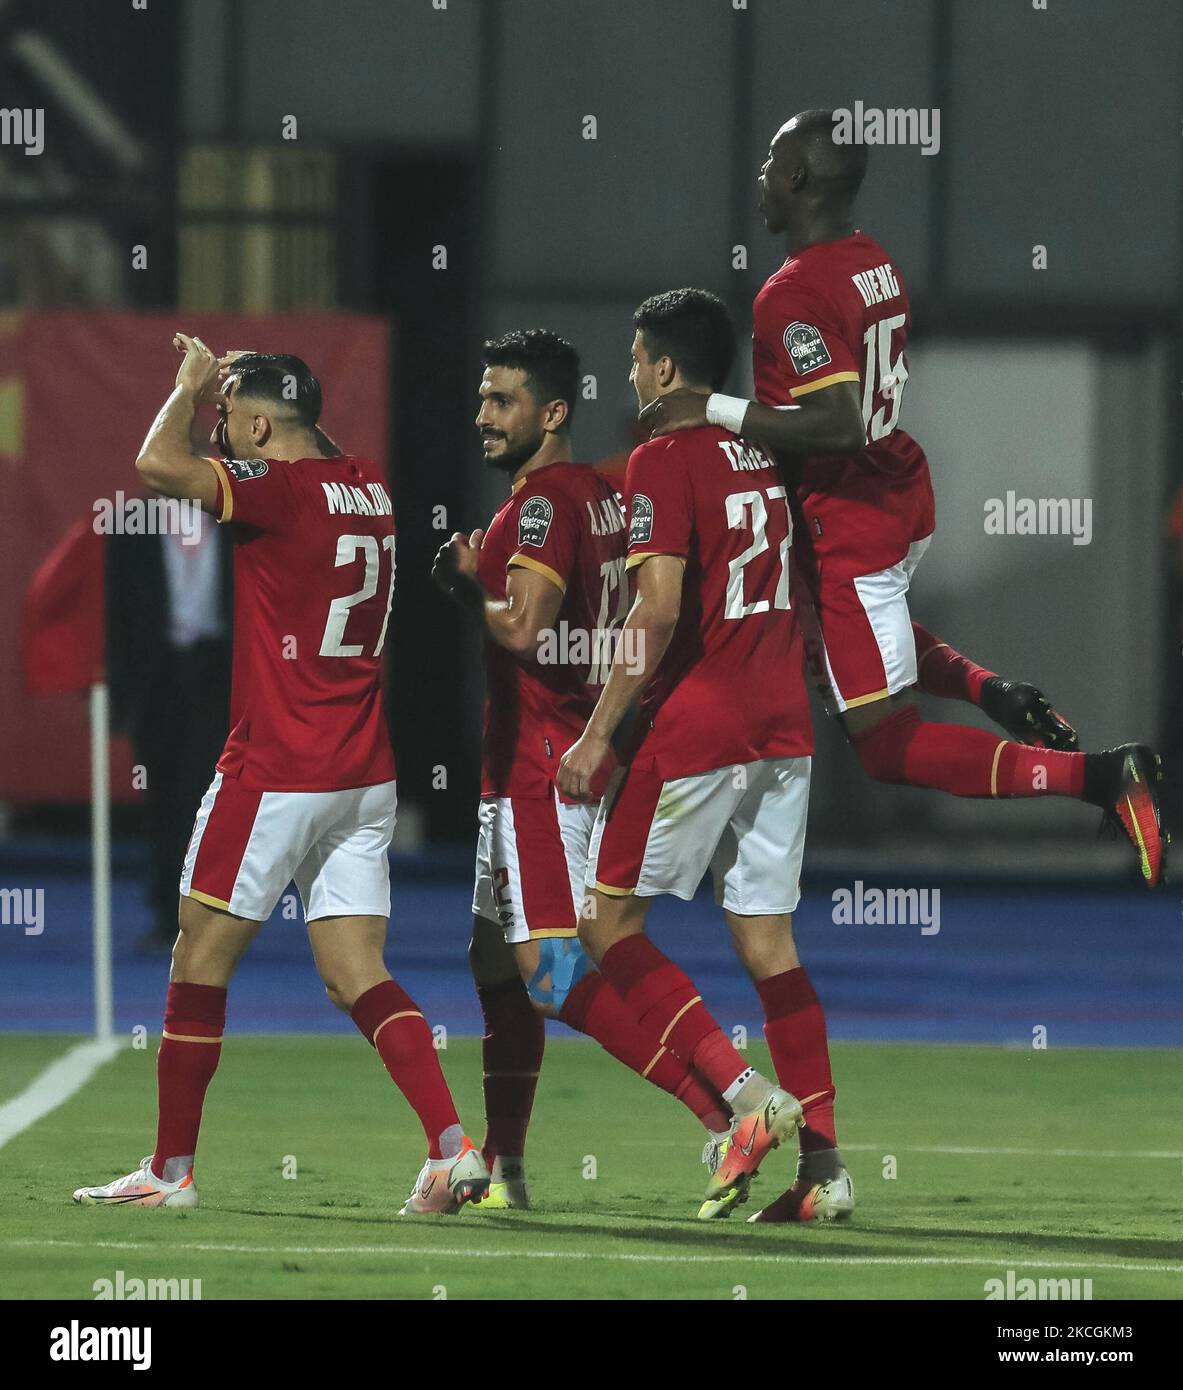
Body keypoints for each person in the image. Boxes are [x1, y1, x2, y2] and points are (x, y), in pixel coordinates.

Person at [643, 109, 1165, 889]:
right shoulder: (871, 262)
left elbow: (838, 423)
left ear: (797, 177)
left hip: (848, 514)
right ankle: (992, 690)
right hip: (892, 498)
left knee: (884, 743)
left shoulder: (791, 292)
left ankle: (1099, 778)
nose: (759, 174)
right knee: (863, 635)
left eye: (770, 160)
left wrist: (707, 407)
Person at [73, 337, 488, 1216]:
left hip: (276, 768)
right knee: (354, 972)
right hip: (364, 775)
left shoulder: (280, 492)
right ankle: (453, 1151)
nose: (221, 433)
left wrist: (187, 389)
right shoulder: (367, 483)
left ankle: (171, 1171)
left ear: (261, 424)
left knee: (197, 953)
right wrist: (262, 397)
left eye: (233, 420)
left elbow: (157, 464)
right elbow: (311, 445)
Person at [559, 289, 852, 1223]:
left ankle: (743, 1098)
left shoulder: (662, 455)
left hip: (704, 722)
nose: (633, 372)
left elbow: (656, 608)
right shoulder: (767, 448)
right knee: (767, 940)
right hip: (783, 722)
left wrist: (599, 733)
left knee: (604, 924)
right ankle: (825, 1172)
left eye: (640, 357)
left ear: (668, 370)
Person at [433, 330, 731, 1210]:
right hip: (569, 757)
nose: (483, 416)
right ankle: (505, 1168)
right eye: (483, 398)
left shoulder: (539, 506)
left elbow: (521, 626)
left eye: (503, 400)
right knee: (494, 965)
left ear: (552, 412)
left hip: (536, 768)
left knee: (549, 972)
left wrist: (466, 585)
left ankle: (720, 1115)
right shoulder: (605, 494)